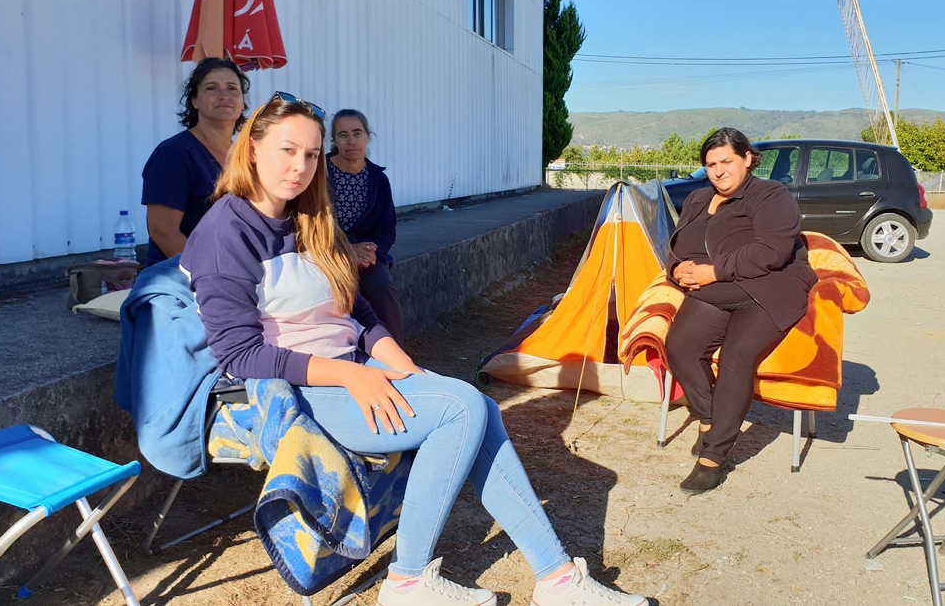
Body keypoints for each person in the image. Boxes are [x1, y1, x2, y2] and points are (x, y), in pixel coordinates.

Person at [180, 93, 645, 606]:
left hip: (354, 367)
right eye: (288, 150)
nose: (300, 167)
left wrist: (404, 367)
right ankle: (408, 581)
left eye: (312, 155)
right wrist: (352, 377)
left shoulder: (311, 218)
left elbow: (358, 315)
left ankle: (556, 578)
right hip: (297, 390)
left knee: (476, 406)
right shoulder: (226, 230)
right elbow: (238, 356)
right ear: (252, 150)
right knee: (463, 408)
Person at [663, 127, 817, 494]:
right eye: (711, 164)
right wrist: (676, 270)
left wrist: (713, 271)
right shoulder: (699, 199)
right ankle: (709, 418)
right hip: (720, 289)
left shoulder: (770, 196)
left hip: (770, 288)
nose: (718, 170)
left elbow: (772, 251)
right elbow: (678, 244)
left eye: (726, 161)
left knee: (736, 356)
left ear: (747, 158)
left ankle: (714, 457)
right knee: (681, 345)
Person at [141, 58, 249, 266]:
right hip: (183, 282)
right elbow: (163, 231)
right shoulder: (173, 154)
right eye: (211, 88)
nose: (223, 95)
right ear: (194, 101)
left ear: (242, 102)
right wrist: (208, 276)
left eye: (232, 88)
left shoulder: (246, 155)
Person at [326, 109, 404, 340]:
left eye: (357, 133)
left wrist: (370, 253)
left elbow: (387, 229)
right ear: (334, 140)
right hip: (327, 251)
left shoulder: (378, 179)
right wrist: (344, 252)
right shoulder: (320, 173)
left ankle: (397, 358)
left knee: (381, 287)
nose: (351, 141)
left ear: (368, 136)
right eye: (343, 135)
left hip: (366, 256)